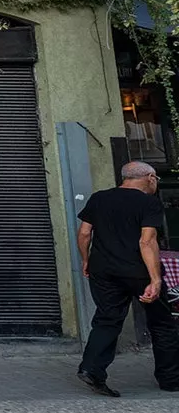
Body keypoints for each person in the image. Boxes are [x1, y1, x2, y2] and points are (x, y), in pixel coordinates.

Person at [75, 161, 179, 396]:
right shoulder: (149, 203)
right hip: (137, 271)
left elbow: (84, 233)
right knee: (161, 323)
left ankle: (91, 369)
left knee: (106, 319)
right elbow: (147, 241)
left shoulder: (99, 198)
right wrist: (156, 279)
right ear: (150, 178)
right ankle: (171, 380)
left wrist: (85, 260)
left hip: (103, 270)